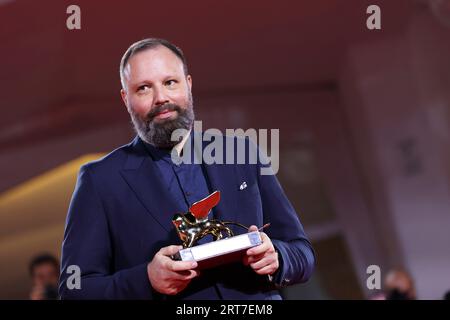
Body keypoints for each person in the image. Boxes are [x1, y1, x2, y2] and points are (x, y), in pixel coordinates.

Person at [59, 38, 315, 299]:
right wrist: (146, 279)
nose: (161, 98)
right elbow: (74, 290)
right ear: (126, 99)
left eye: (170, 82)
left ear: (189, 85)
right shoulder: (100, 180)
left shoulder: (242, 153)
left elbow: (302, 253)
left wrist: (277, 258)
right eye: (144, 88)